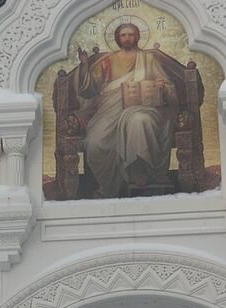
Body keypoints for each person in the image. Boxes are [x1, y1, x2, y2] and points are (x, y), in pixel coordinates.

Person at [74, 23, 182, 197]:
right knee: (94, 143)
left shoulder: (148, 59)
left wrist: (162, 86)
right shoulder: (108, 61)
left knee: (138, 121)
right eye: (123, 35)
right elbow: (90, 89)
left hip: (144, 108)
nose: (127, 38)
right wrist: (85, 66)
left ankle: (139, 173)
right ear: (118, 38)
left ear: (137, 37)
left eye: (131, 35)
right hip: (110, 110)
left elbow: (169, 87)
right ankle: (110, 187)